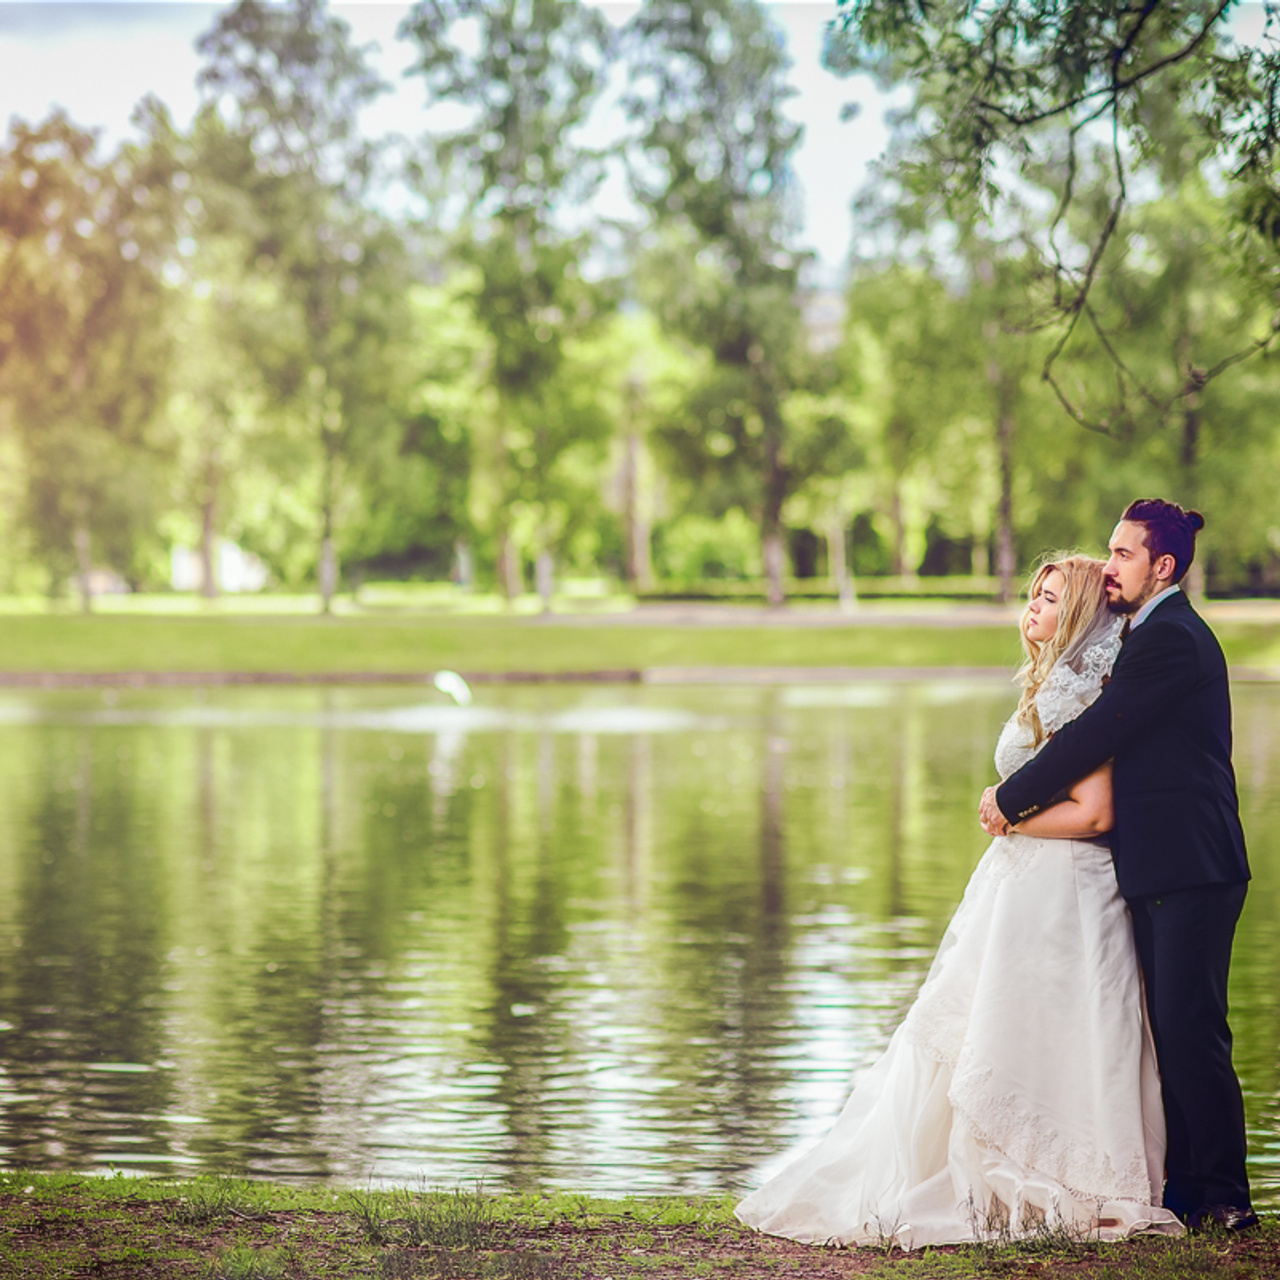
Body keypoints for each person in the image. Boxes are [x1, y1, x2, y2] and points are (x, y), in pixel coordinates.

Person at [735, 555, 1183, 1248]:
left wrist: (1009, 818)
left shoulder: (1086, 698)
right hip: (1021, 887)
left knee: (1050, 1033)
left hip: (1065, 891)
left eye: (1050, 597)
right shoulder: (1053, 685)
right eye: (1033, 593)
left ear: (1078, 614)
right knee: (985, 1025)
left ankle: (1058, 1175)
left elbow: (1095, 814)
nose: (1032, 606)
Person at [981, 500, 1256, 1232]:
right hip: (1155, 863)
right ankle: (1187, 1190)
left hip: (1191, 862)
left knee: (1192, 1028)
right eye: (1108, 550)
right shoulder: (1143, 632)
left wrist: (1013, 797)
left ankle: (1226, 1197)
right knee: (1169, 1027)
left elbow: (1102, 729)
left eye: (1123, 554)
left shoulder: (1171, 638)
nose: (1109, 566)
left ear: (1162, 566)